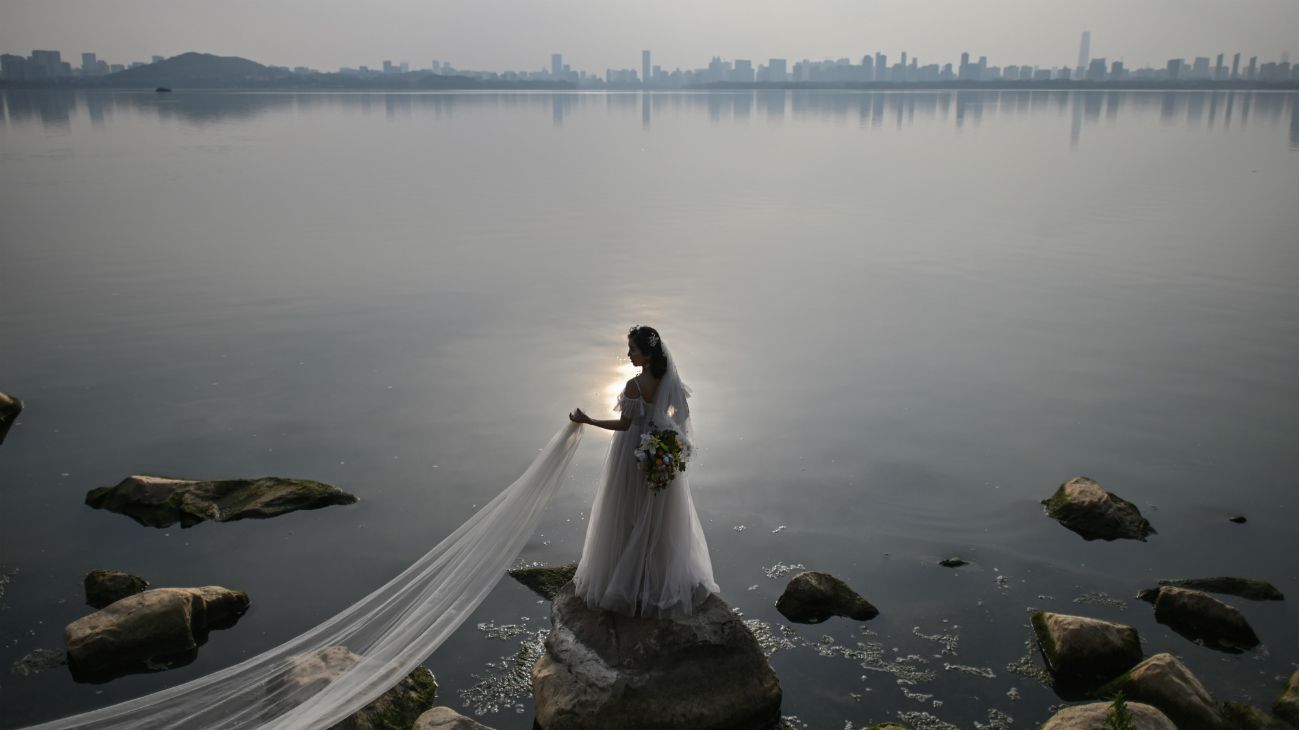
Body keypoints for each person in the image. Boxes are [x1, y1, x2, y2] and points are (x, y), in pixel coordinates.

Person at [568, 325, 719, 617]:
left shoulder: (634, 386)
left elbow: (624, 426)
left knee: (626, 511)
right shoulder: (668, 380)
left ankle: (626, 581)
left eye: (633, 350)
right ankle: (654, 578)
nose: (628, 355)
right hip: (659, 453)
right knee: (660, 517)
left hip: (631, 454)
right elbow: (682, 414)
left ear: (647, 354)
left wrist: (587, 420)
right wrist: (666, 435)